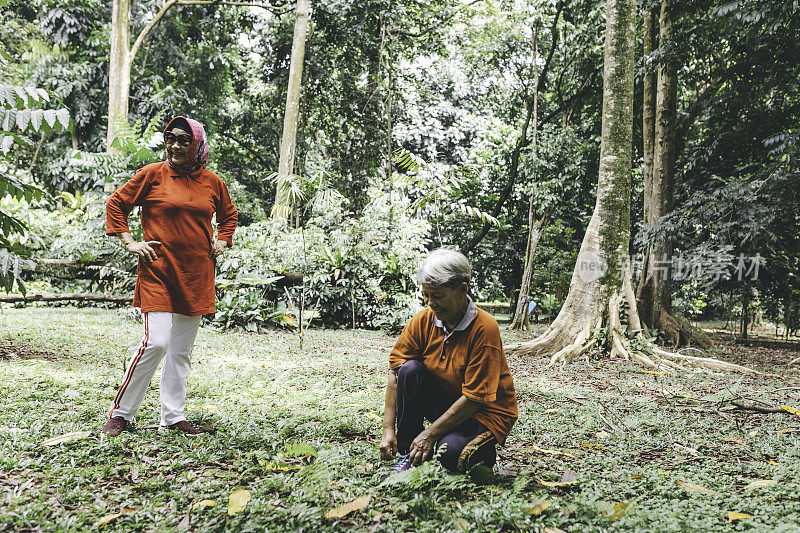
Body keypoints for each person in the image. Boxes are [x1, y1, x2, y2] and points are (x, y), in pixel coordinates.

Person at [101, 116, 238, 437]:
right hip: (158, 271)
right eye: (170, 138)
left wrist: (222, 239)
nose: (175, 145)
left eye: (183, 140)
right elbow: (116, 203)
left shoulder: (212, 181)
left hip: (196, 274)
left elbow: (228, 214)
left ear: (198, 145)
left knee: (180, 350)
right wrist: (130, 242)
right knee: (156, 342)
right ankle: (121, 413)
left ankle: (173, 416)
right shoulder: (152, 175)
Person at [380, 248, 517, 473]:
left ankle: (477, 447)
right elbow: (396, 372)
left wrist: (430, 434)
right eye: (427, 295)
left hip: (482, 413)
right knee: (410, 370)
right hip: (448, 402)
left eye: (439, 296)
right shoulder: (423, 320)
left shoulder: (485, 328)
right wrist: (388, 431)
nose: (431, 303)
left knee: (451, 454)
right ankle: (407, 455)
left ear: (462, 290)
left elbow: (475, 398)